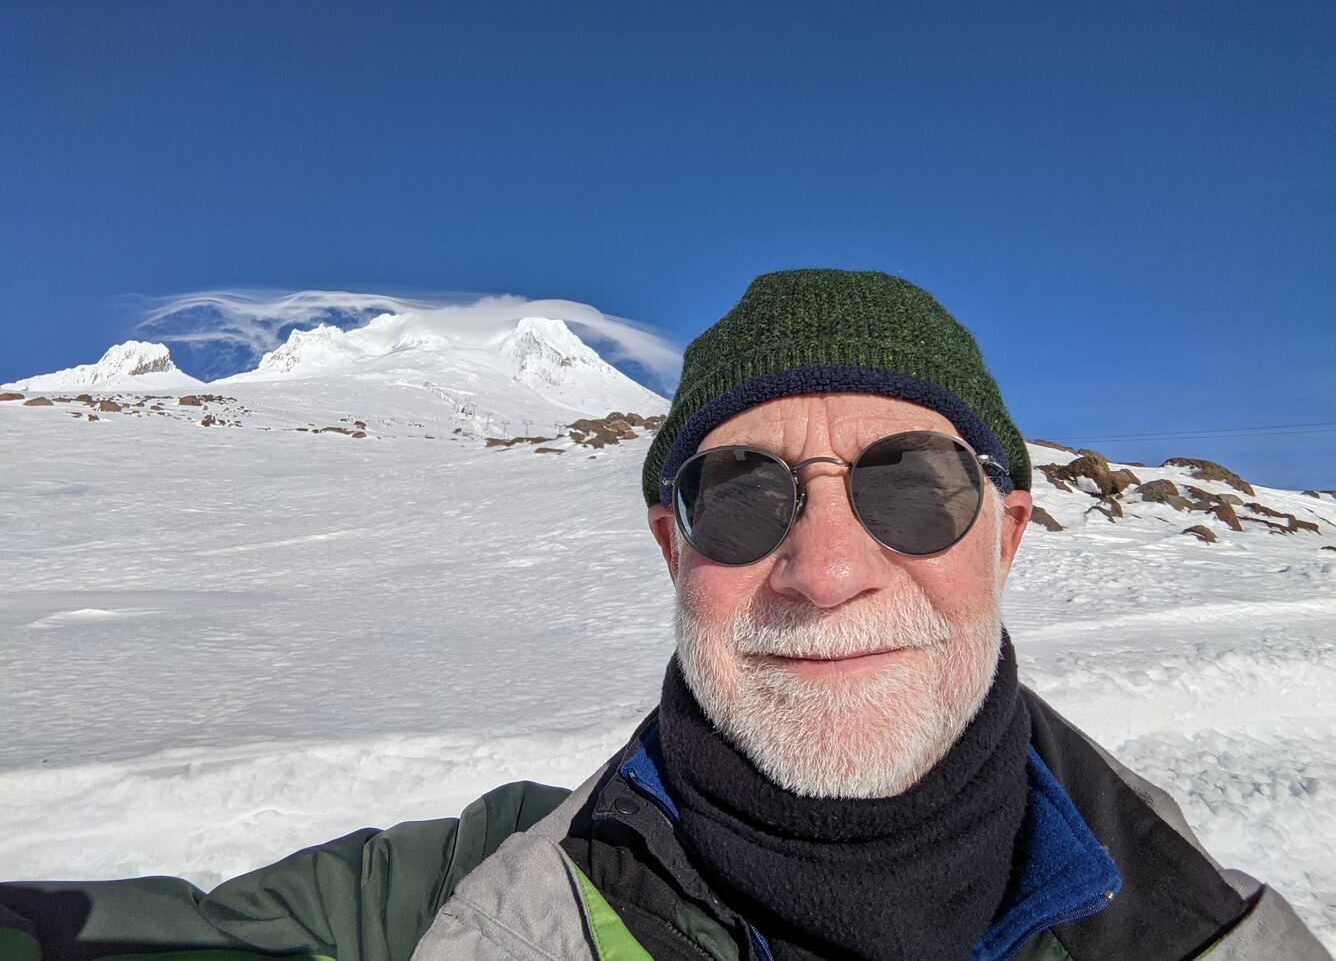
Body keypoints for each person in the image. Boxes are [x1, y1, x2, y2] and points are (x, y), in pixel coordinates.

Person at [2, 269, 1327, 961]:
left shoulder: (1214, 934)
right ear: (670, 542)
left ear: (1010, 529)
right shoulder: (438, 906)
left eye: (910, 487)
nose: (823, 568)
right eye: (744, 494)